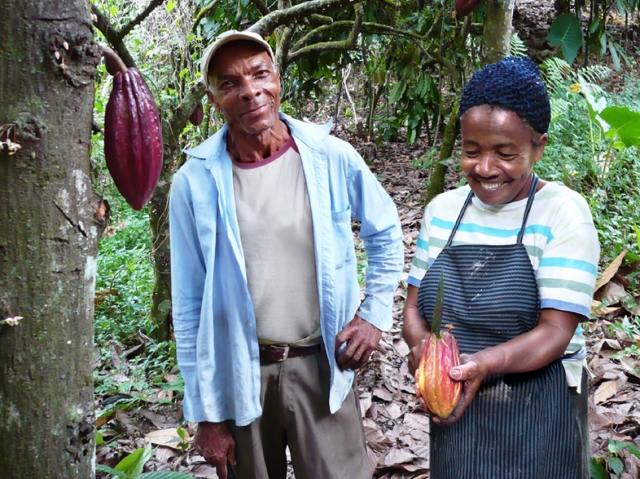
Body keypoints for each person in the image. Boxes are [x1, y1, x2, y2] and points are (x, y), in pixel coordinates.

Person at [169, 30, 404, 479]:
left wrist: (373, 315)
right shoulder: (194, 183)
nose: (250, 92)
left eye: (260, 74)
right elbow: (189, 305)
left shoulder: (329, 157)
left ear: (278, 78)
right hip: (242, 375)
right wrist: (207, 413)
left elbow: (386, 231)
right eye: (230, 82)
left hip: (320, 362)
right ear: (214, 97)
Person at [403, 56, 599, 479]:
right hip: (457, 406)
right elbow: (414, 309)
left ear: (538, 147)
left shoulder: (563, 213)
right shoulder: (442, 211)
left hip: (540, 415)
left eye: (505, 154)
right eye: (471, 151)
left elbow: (555, 332)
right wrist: (425, 354)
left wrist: (485, 364)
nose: (485, 168)